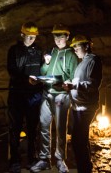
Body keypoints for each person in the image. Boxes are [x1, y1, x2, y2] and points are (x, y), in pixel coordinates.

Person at [30, 24, 78, 173]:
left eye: (61, 36)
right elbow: (44, 71)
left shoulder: (71, 55)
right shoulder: (51, 51)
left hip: (61, 96)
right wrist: (47, 63)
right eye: (56, 36)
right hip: (47, 92)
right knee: (44, 126)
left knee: (60, 128)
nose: (58, 39)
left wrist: (67, 83)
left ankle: (60, 159)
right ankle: (44, 159)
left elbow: (74, 76)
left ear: (67, 37)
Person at [7, 22, 44, 173]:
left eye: (34, 37)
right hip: (17, 95)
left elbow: (42, 69)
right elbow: (12, 71)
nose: (31, 39)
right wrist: (26, 79)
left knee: (32, 129)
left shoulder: (39, 51)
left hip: (34, 96)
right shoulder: (14, 50)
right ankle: (15, 160)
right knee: (15, 129)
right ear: (22, 35)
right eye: (29, 37)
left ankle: (31, 158)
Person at [62, 35, 102, 173]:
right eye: (73, 47)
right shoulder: (81, 62)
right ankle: (86, 168)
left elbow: (93, 84)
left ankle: (84, 169)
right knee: (81, 139)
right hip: (78, 107)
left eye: (77, 46)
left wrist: (73, 86)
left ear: (86, 46)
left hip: (86, 107)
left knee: (77, 141)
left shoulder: (94, 61)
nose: (74, 50)